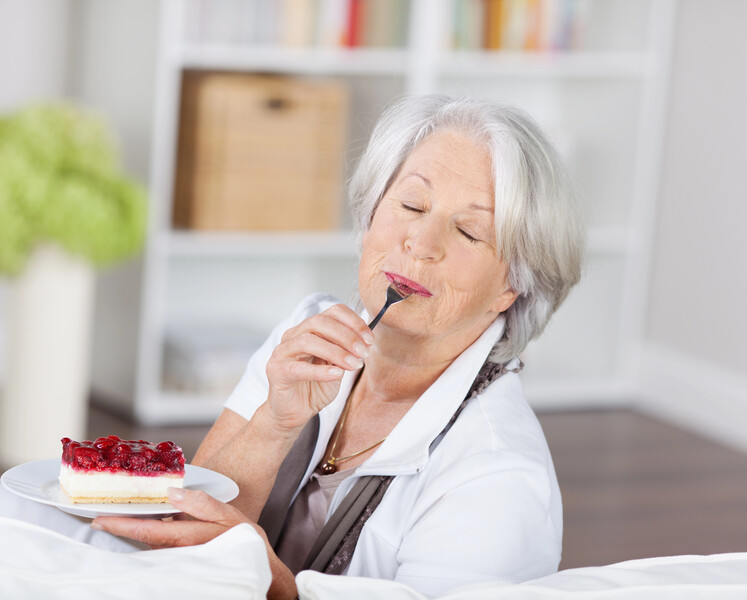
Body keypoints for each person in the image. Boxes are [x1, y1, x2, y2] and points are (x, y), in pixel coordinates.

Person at [94, 95, 586, 599]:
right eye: (412, 205)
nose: (421, 241)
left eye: (468, 231)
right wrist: (273, 422)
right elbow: (184, 528)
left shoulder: (498, 475)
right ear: (371, 214)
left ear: (513, 286)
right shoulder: (307, 331)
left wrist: (277, 586)